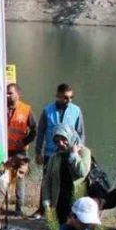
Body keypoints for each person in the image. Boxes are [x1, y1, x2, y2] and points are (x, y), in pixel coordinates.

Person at [35, 84, 85, 216]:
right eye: (66, 97)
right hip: (50, 153)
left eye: (71, 97)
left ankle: (65, 209)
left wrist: (79, 149)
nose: (69, 100)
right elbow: (40, 132)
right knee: (47, 180)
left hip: (69, 152)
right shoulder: (47, 111)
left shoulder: (76, 110)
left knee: (67, 180)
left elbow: (80, 132)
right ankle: (42, 209)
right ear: (57, 95)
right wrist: (38, 152)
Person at [40, 124, 93, 226]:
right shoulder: (54, 157)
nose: (61, 143)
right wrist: (46, 204)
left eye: (64, 139)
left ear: (70, 136)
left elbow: (82, 172)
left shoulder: (84, 152)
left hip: (77, 204)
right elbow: (47, 182)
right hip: (59, 203)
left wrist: (74, 155)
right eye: (57, 141)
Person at [7, 84, 38, 215]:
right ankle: (4, 203)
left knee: (19, 178)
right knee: (4, 177)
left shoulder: (26, 110)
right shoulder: (1, 107)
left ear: (18, 94)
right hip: (5, 148)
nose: (8, 95)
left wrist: (25, 141)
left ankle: (19, 207)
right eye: (7, 93)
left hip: (20, 150)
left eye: (10, 93)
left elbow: (35, 129)